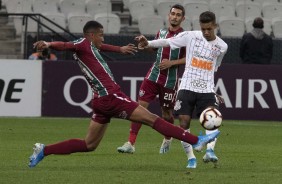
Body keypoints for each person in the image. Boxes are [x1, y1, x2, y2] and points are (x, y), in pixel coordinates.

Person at [28, 20, 220, 168]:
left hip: (100, 101)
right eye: (101, 35)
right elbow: (66, 45)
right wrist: (48, 43)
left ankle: (44, 150)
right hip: (111, 97)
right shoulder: (81, 43)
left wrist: (119, 49)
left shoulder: (89, 47)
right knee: (153, 119)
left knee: (89, 144)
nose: (103, 38)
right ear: (92, 35)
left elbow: (102, 47)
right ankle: (196, 141)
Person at [136, 11, 228, 169]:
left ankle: (210, 151)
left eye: (209, 29)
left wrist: (214, 91)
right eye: (203, 28)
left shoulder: (222, 46)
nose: (206, 32)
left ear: (215, 26)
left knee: (212, 119)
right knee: (183, 122)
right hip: (186, 87)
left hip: (206, 89)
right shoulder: (191, 36)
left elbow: (214, 68)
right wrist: (148, 43)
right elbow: (167, 41)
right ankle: (191, 158)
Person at [117, 4, 186, 154]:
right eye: (173, 13)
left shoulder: (185, 37)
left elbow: (190, 58)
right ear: (169, 15)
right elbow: (152, 49)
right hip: (153, 75)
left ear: (183, 18)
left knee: (166, 113)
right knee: (139, 108)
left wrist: (172, 63)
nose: (174, 16)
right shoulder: (161, 32)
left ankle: (168, 137)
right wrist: (144, 44)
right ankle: (130, 143)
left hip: (170, 80)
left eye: (178, 14)